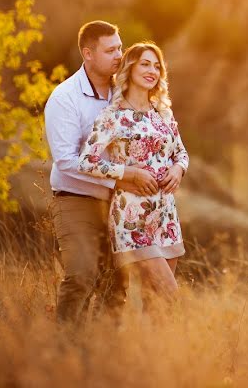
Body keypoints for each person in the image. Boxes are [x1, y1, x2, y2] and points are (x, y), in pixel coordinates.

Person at [44, 21, 154, 325]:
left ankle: (101, 354)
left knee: (116, 284)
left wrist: (174, 167)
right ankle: (65, 347)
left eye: (120, 47)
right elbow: (65, 160)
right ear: (88, 54)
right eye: (110, 50)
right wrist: (122, 174)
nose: (119, 55)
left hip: (120, 204)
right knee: (81, 274)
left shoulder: (126, 92)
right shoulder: (65, 98)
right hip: (76, 198)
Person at [78, 42, 188, 304]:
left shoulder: (162, 113)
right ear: (130, 67)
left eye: (157, 66)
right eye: (145, 64)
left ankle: (149, 347)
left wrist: (178, 168)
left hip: (166, 216)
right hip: (132, 217)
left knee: (157, 305)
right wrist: (125, 173)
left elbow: (181, 153)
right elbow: (86, 161)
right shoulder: (112, 116)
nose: (153, 70)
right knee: (171, 296)